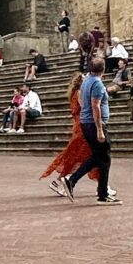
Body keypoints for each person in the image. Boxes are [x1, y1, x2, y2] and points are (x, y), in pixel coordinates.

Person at [60, 57, 119, 204]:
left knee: (98, 157)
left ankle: (73, 181)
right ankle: (101, 194)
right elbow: (95, 106)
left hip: (86, 123)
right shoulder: (97, 84)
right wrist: (99, 129)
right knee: (104, 158)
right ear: (103, 69)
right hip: (94, 124)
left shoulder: (86, 81)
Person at [41, 73, 100, 196]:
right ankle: (101, 185)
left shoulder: (75, 93)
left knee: (79, 156)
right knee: (85, 155)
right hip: (83, 126)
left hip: (80, 126)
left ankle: (59, 182)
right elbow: (85, 108)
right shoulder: (79, 93)